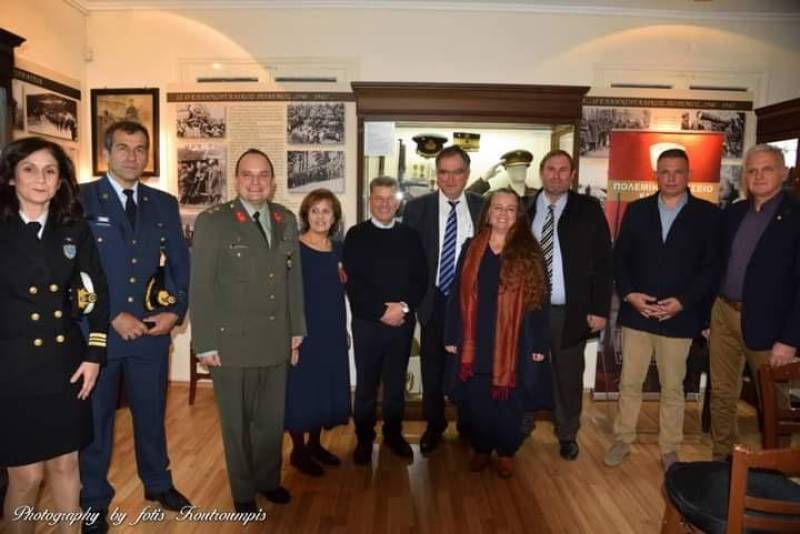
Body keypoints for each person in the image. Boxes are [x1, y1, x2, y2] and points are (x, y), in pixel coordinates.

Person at [79, 121, 191, 532]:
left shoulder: (163, 203)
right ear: (107, 152)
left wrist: (174, 311)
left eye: (140, 148)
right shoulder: (82, 198)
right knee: (97, 422)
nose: (132, 156)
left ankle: (158, 483)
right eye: (123, 147)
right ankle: (94, 499)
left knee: (151, 413)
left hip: (150, 333)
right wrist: (111, 314)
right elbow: (74, 269)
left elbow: (179, 263)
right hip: (100, 334)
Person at [0, 137, 108, 534]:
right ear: (11, 177)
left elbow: (96, 294)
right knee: (26, 476)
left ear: (61, 180)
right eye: (29, 169)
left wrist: (94, 355)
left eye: (50, 171)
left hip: (64, 366)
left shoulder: (73, 230)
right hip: (11, 371)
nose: (40, 179)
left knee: (66, 465)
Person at [190, 148, 305, 512]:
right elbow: (200, 286)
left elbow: (293, 281)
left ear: (273, 181)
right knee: (236, 424)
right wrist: (204, 342)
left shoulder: (285, 219)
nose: (256, 182)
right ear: (236, 179)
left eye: (263, 175)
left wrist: (296, 330)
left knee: (271, 421)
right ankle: (243, 492)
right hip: (231, 343)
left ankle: (268, 480)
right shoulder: (214, 222)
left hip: (275, 338)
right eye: (248, 174)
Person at [604, 148, 720, 471]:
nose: (671, 178)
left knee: (673, 387)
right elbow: (620, 258)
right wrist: (630, 295)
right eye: (664, 172)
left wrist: (683, 301)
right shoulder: (638, 210)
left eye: (677, 172)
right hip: (637, 314)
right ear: (655, 175)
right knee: (630, 382)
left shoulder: (707, 215)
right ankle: (622, 440)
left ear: (688, 175)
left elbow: (711, 268)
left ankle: (670, 448)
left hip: (679, 316)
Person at [443, 188, 551, 478]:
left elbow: (540, 298)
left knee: (509, 402)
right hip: (476, 338)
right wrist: (451, 335)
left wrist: (539, 342)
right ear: (488, 212)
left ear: (518, 215)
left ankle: (505, 452)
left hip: (515, 340)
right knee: (478, 400)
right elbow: (457, 292)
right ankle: (481, 447)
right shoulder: (471, 247)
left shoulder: (529, 251)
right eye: (498, 208)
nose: (503, 214)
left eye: (510, 209)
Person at [710, 144, 800, 460]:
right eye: (752, 170)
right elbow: (717, 265)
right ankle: (724, 459)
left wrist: (789, 339)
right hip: (724, 313)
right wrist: (709, 315)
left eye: (767, 169)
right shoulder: (733, 214)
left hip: (769, 326)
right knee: (721, 393)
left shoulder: (796, 217)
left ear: (784, 173)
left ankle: (777, 466)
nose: (759, 176)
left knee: (772, 400)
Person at [526, 149, 613, 460]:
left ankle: (567, 434)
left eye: (563, 170)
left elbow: (604, 262)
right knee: (526, 371)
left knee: (568, 376)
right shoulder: (523, 208)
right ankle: (521, 425)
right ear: (541, 172)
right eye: (551, 169)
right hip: (528, 312)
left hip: (570, 311)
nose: (557, 175)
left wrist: (600, 309)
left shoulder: (588, 209)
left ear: (572, 175)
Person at [403, 145, 484, 453]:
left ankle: (468, 423)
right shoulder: (416, 209)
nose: (450, 179)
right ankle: (434, 425)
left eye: (457, 172)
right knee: (433, 367)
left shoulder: (483, 207)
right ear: (436, 175)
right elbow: (408, 260)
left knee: (470, 363)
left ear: (468, 174)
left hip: (471, 301)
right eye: (444, 172)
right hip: (433, 299)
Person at [342, 176, 427, 464]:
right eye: (378, 198)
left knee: (395, 387)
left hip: (401, 323)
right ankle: (364, 439)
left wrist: (402, 308)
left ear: (398, 202)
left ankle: (393, 434)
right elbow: (353, 283)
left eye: (390, 198)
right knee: (366, 388)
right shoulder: (356, 235)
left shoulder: (410, 236)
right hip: (367, 324)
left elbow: (420, 279)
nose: (384, 204)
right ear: (370, 200)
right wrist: (381, 312)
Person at [284, 189, 350, 477]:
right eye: (314, 211)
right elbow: (285, 296)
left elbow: (339, 292)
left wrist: (343, 330)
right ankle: (299, 451)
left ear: (334, 217)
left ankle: (314, 444)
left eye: (326, 211)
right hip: (303, 333)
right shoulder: (294, 249)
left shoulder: (338, 249)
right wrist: (290, 339)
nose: (320, 217)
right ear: (305, 215)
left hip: (331, 330)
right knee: (302, 390)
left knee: (323, 388)